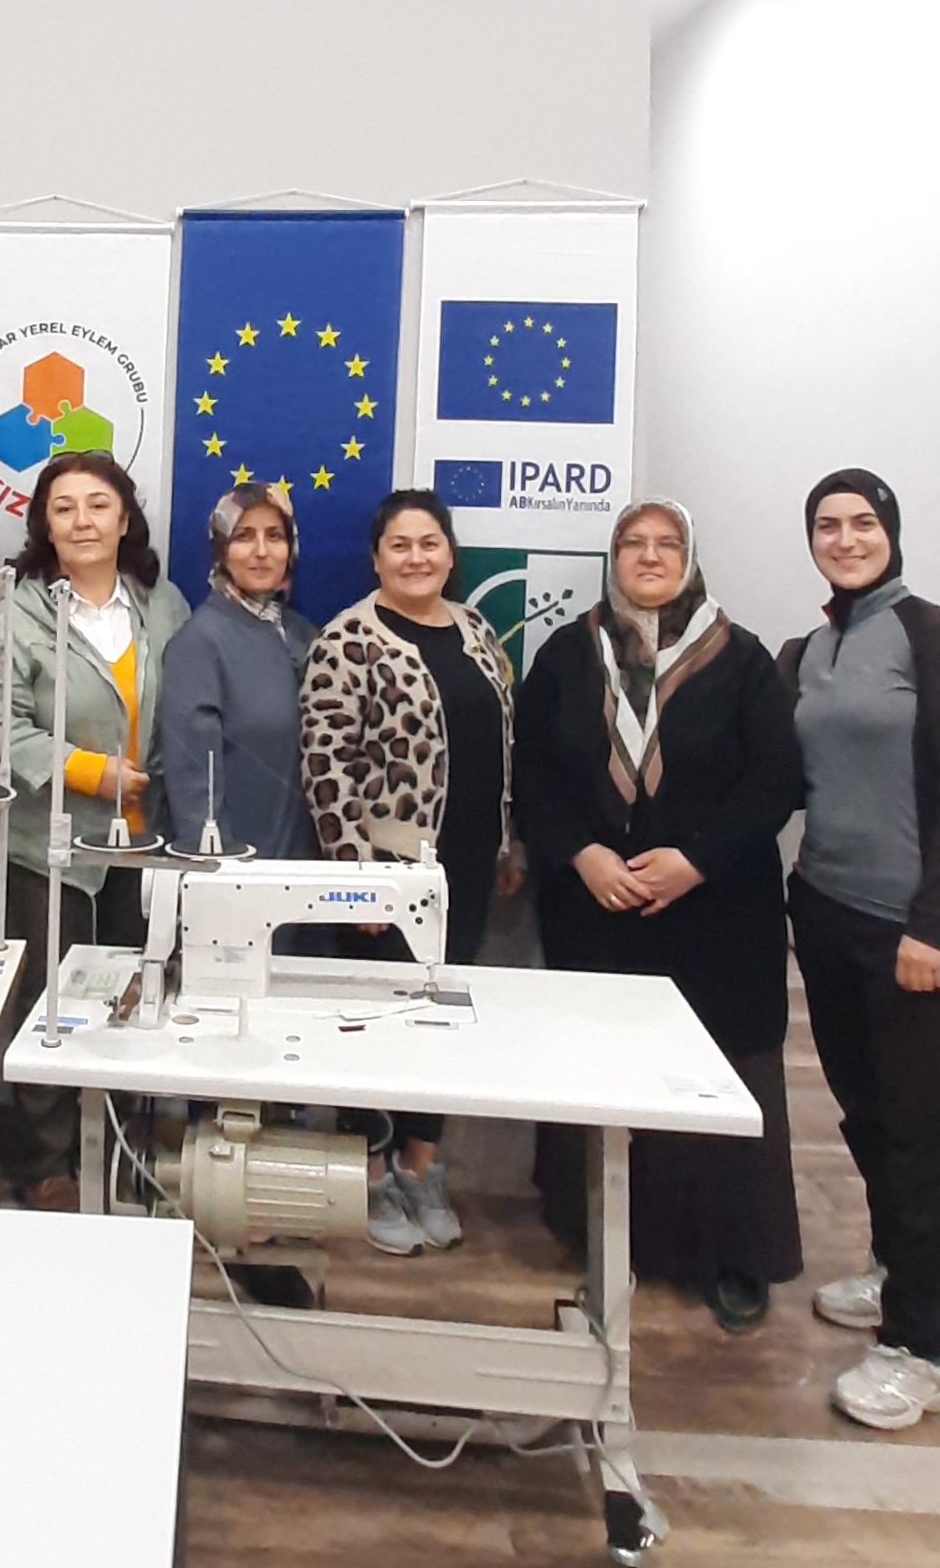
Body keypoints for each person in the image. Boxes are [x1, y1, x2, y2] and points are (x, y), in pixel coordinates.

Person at [515, 498, 803, 1332]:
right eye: (632, 544)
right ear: (611, 558)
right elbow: (531, 772)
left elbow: (775, 780)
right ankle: (606, 1236)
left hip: (717, 913)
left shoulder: (741, 657)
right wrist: (582, 853)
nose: (648, 556)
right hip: (596, 908)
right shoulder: (567, 653)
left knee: (718, 1080)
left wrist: (695, 860)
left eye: (666, 544)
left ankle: (731, 1255)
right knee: (602, 1073)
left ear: (689, 557)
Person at [0, 450, 190, 1209]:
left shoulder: (163, 607)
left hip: (144, 847)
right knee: (49, 1007)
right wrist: (91, 772)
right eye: (63, 508)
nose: (82, 521)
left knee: (133, 1002)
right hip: (49, 851)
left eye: (97, 505)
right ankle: (48, 1169)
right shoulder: (21, 612)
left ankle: (121, 1158)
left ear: (124, 518)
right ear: (44, 525)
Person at [300, 489, 517, 1255]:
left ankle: (421, 1165)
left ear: (450, 555)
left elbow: (501, 745)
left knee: (440, 1021)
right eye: (399, 544)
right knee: (375, 1024)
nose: (415, 557)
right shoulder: (346, 640)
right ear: (376, 557)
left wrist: (507, 844)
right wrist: (357, 878)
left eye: (429, 543)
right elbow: (326, 768)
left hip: (469, 867)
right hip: (388, 874)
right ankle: (367, 1173)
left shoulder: (477, 630)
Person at [780, 470, 940, 1427]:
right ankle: (897, 1272)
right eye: (827, 526)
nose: (844, 539)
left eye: (862, 523)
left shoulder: (926, 635)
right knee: (867, 1116)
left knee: (919, 1133)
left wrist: (930, 925)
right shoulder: (806, 650)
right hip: (825, 910)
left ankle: (920, 1346)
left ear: (890, 532)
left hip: (906, 929)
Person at [160, 483, 317, 859]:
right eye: (244, 536)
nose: (261, 551)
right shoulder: (199, 643)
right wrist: (219, 869)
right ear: (222, 549)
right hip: (235, 872)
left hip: (307, 872)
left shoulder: (304, 635)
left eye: (274, 536)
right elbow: (193, 783)